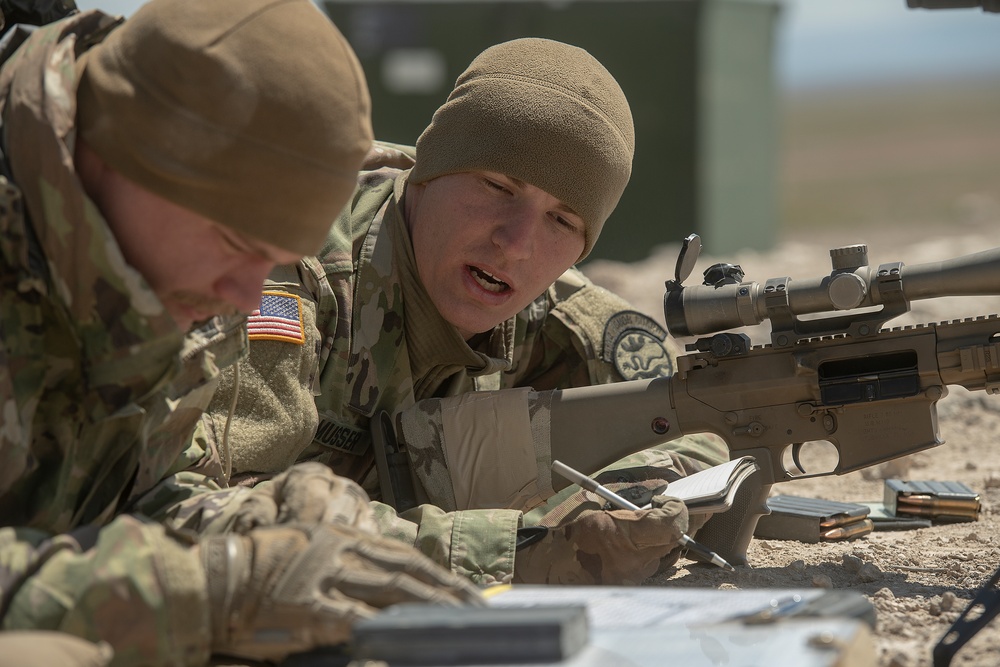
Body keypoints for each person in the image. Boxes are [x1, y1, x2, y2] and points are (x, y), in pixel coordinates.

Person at [0, 0, 482, 665]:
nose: (248, 294)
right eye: (234, 241)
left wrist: (267, 526)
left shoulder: (152, 277)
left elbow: (132, 506)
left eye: (277, 255)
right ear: (120, 155)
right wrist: (215, 586)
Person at [203, 37, 729, 588]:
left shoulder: (550, 311)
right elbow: (215, 516)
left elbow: (703, 413)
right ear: (428, 171)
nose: (518, 243)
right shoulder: (287, 265)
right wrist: (516, 549)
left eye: (563, 221)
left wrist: (626, 500)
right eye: (498, 186)